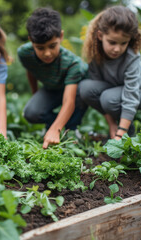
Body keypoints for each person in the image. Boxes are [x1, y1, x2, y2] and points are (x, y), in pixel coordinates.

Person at [79, 6, 141, 140]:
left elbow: (131, 95)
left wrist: (121, 132)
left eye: (123, 43)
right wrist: (111, 124)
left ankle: (127, 133)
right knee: (86, 88)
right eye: (112, 42)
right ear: (100, 35)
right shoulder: (95, 54)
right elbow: (98, 91)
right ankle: (119, 130)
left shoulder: (131, 57)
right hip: (115, 90)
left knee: (109, 99)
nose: (117, 49)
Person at [18, 7, 88, 149]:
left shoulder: (72, 63)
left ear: (61, 36)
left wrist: (56, 130)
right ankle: (54, 124)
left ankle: (71, 129)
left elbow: (69, 102)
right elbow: (31, 70)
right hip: (51, 89)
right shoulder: (24, 53)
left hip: (75, 89)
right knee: (31, 113)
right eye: (40, 48)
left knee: (83, 91)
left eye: (52, 46)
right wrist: (35, 93)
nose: (47, 53)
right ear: (31, 40)